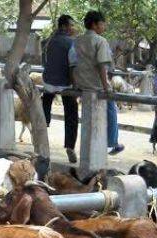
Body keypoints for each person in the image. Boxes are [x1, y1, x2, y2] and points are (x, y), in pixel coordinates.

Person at [71, 10, 124, 154]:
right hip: (95, 84)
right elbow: (102, 66)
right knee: (111, 108)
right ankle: (113, 143)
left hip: (81, 84)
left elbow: (72, 64)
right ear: (94, 24)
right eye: (102, 23)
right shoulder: (101, 41)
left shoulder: (77, 40)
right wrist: (106, 87)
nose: (104, 26)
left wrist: (76, 83)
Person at [43, 14, 79, 163]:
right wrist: (75, 85)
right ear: (64, 26)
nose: (73, 28)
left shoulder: (47, 41)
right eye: (71, 25)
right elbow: (73, 67)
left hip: (48, 82)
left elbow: (45, 61)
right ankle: (70, 146)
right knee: (71, 113)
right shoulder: (72, 43)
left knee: (44, 104)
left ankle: (44, 125)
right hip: (65, 84)